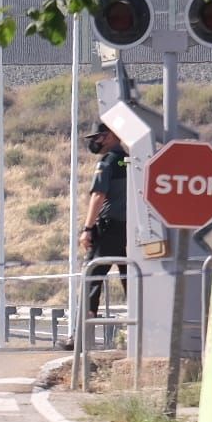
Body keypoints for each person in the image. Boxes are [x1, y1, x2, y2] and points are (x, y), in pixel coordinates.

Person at [79, 122, 129, 327]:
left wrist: (87, 229)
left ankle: (80, 334)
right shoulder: (129, 159)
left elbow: (98, 196)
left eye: (97, 137)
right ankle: (144, 331)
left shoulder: (107, 162)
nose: (94, 142)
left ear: (109, 136)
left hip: (109, 229)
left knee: (92, 276)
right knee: (131, 280)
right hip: (131, 230)